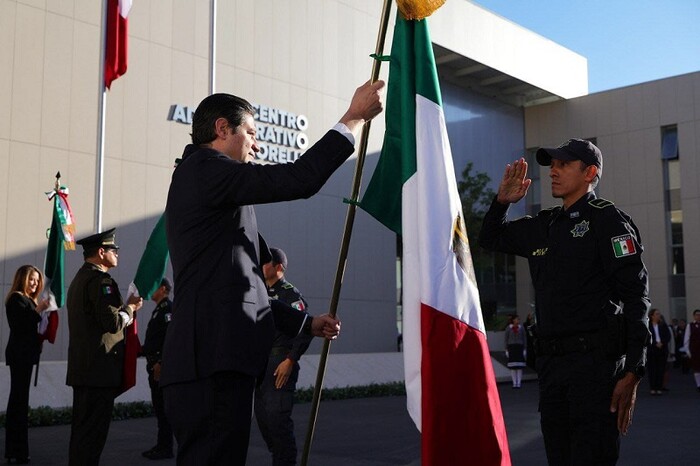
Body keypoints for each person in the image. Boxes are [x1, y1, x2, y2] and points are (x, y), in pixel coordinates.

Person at [161, 79, 385, 465]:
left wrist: (305, 323)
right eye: (250, 132)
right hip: (211, 360)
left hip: (214, 359)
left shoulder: (213, 184)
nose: (257, 144)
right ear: (221, 129)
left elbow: (240, 286)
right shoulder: (206, 169)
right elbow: (300, 179)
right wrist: (352, 119)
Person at [479, 138, 651, 465]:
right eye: (551, 165)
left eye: (563, 165)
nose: (553, 172)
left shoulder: (609, 220)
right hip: (553, 371)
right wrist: (501, 202)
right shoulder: (545, 226)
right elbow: (490, 237)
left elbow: (635, 296)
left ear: (590, 173)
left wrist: (634, 369)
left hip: (595, 370)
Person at [65, 228, 144, 466]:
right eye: (113, 250)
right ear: (101, 252)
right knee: (92, 438)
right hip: (98, 372)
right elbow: (112, 323)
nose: (117, 254)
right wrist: (130, 308)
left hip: (84, 370)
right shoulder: (102, 281)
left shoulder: (80, 279)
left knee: (81, 435)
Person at [255, 247, 312, 466]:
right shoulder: (261, 293)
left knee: (278, 422)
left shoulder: (290, 294)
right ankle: (280, 457)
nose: (262, 266)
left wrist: (291, 359)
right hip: (261, 366)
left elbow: (305, 329)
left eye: (267, 262)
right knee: (265, 423)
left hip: (281, 363)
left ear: (279, 267)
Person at [4, 265, 50, 464]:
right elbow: (21, 325)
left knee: (20, 402)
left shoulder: (30, 301)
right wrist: (39, 309)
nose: (35, 284)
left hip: (26, 355)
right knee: (18, 403)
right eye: (31, 279)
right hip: (19, 356)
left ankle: (17, 450)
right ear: (22, 278)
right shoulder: (16, 298)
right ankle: (17, 451)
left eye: (37, 280)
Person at [140, 278, 175, 460]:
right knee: (160, 409)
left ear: (163, 289)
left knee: (164, 410)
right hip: (153, 366)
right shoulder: (159, 310)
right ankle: (162, 445)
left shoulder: (167, 309)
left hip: (161, 368)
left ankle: (166, 447)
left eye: (153, 287)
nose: (150, 291)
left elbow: (170, 339)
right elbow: (153, 342)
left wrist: (161, 362)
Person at [646, 309, 670, 395]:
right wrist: (655, 343)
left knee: (661, 369)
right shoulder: (648, 325)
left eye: (659, 314)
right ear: (652, 316)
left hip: (662, 350)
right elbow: (646, 338)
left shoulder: (663, 325)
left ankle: (659, 388)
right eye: (657, 314)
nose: (658, 315)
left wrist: (662, 343)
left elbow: (668, 336)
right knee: (652, 370)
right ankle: (653, 388)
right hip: (652, 350)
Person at [504, 314, 527, 388]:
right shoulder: (509, 328)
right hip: (512, 347)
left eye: (518, 319)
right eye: (517, 319)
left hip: (519, 347)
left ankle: (519, 383)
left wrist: (524, 348)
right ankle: (514, 383)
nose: (518, 320)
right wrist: (506, 349)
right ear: (513, 320)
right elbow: (506, 339)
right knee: (513, 366)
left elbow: (524, 338)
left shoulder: (521, 328)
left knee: (519, 366)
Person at [682, 309, 700, 391]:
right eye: (697, 315)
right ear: (694, 316)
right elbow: (686, 339)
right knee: (696, 368)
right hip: (695, 350)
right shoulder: (690, 325)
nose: (698, 316)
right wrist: (688, 351)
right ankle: (698, 384)